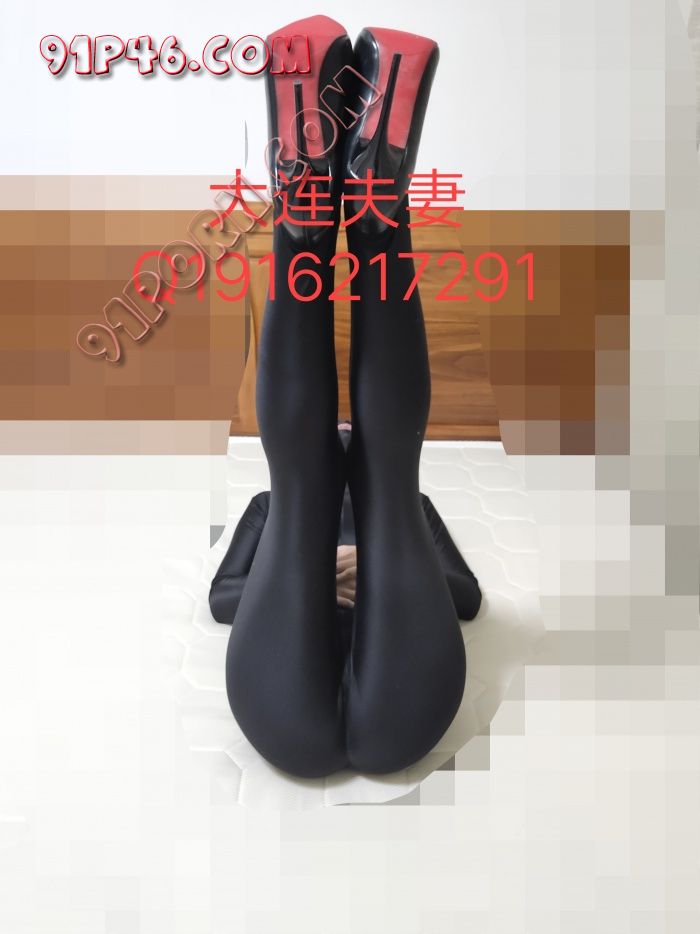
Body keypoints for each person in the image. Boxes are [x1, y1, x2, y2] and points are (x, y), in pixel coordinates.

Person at [212, 17, 483, 778]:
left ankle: (307, 213)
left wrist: (322, 561)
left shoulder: (271, 502)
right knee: (386, 484)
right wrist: (366, 558)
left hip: (289, 665)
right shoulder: (403, 496)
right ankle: (374, 209)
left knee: (303, 491)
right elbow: (463, 596)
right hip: (396, 650)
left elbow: (226, 596)